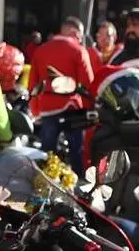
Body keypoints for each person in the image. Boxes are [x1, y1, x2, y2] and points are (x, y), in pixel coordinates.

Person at [29, 16, 94, 174]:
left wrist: (35, 108)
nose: (80, 39)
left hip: (48, 107)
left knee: (47, 153)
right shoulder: (79, 51)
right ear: (74, 32)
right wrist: (90, 108)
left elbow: (33, 85)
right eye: (80, 35)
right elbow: (88, 84)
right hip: (73, 107)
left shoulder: (41, 50)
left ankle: (44, 184)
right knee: (76, 152)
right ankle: (79, 186)